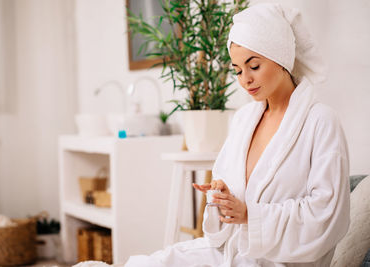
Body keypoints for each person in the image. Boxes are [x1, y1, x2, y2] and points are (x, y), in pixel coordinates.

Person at [123, 3, 350, 267]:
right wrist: (222, 196)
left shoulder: (320, 121)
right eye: (238, 70)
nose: (245, 80)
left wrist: (250, 215)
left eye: (254, 66)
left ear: (281, 57)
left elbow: (325, 216)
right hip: (233, 252)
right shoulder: (244, 119)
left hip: (280, 263)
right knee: (150, 264)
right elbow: (228, 207)